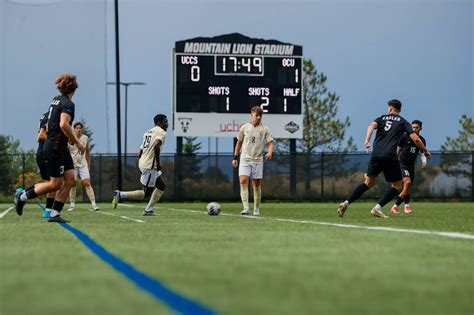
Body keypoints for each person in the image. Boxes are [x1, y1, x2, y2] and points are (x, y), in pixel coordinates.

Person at [337, 99, 430, 218]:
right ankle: (378, 208)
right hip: (390, 156)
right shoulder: (403, 122)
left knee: (367, 183)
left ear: (390, 108)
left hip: (376, 154)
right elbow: (416, 139)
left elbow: (371, 125)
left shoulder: (381, 118)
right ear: (399, 110)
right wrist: (425, 150)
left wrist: (367, 140)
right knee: (397, 186)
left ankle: (346, 203)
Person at [14, 74, 84, 223]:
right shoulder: (68, 104)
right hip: (54, 148)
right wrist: (76, 141)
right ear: (74, 88)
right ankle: (22, 197)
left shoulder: (56, 99)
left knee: (71, 179)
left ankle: (54, 214)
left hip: (60, 148)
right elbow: (63, 124)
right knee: (55, 184)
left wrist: (68, 139)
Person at [112, 114, 168, 216]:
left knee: (161, 186)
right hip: (150, 166)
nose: (167, 124)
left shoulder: (148, 132)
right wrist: (158, 164)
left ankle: (148, 209)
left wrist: (143, 161)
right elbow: (156, 146)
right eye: (165, 122)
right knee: (146, 193)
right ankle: (120, 195)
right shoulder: (162, 132)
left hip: (144, 162)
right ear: (159, 122)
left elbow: (140, 151)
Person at [232, 106, 273, 216]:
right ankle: (245, 208)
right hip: (245, 158)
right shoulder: (244, 127)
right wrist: (235, 157)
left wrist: (270, 152)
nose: (258, 117)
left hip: (257, 160)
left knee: (256, 184)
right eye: (256, 115)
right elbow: (239, 142)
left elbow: (270, 142)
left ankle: (256, 209)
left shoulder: (265, 129)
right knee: (243, 181)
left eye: (260, 116)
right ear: (252, 115)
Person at [390, 120, 427, 214]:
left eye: (416, 127)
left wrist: (424, 162)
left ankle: (405, 206)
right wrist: (394, 160)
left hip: (411, 165)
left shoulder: (421, 140)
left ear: (421, 128)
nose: (414, 129)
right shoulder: (405, 136)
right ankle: (397, 206)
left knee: (408, 187)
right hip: (402, 163)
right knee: (407, 183)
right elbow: (398, 149)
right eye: (413, 127)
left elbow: (423, 153)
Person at [67, 122, 99, 211]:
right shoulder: (70, 138)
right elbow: (66, 151)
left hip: (83, 165)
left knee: (87, 183)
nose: (78, 129)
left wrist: (88, 164)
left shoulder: (85, 138)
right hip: (72, 165)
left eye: (80, 128)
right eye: (76, 128)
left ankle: (94, 204)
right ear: (74, 129)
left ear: (82, 129)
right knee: (72, 184)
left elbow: (88, 151)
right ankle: (72, 204)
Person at [35, 111, 56, 218]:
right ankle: (24, 194)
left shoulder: (46, 115)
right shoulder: (50, 116)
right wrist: (55, 142)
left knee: (53, 183)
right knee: (53, 183)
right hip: (45, 153)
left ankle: (48, 209)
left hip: (43, 152)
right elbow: (40, 136)